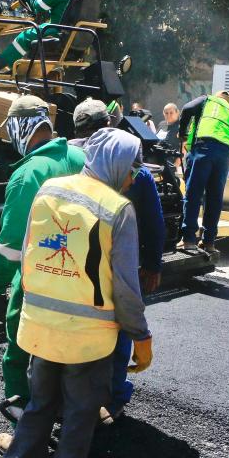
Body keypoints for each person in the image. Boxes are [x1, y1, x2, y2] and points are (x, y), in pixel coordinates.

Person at [0, 127, 153, 458]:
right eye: (132, 167)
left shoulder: (49, 190)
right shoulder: (119, 210)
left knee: (39, 405)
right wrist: (140, 335)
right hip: (86, 339)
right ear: (116, 165)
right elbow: (126, 288)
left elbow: (30, 255)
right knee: (81, 416)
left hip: (41, 326)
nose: (134, 176)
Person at [0, 95, 85, 449]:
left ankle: (22, 422)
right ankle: (70, 410)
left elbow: (10, 247)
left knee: (20, 339)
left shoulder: (28, 174)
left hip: (39, 271)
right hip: (79, 269)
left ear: (22, 128)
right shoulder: (80, 158)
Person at [70, 98, 164, 418]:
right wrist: (153, 265)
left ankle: (70, 398)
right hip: (116, 267)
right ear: (108, 124)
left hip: (72, 266)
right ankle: (113, 397)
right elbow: (153, 223)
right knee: (119, 327)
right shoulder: (130, 167)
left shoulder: (66, 160)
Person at [177, 90, 229, 256]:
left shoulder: (207, 100)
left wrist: (182, 132)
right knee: (214, 198)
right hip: (224, 157)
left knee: (194, 193)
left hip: (203, 148)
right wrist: (227, 153)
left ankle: (188, 240)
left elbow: (187, 109)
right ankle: (209, 242)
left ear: (217, 97)